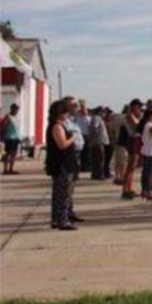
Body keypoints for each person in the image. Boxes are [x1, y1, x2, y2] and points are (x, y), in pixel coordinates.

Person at [45, 99, 79, 231]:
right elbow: (62, 144)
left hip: (63, 164)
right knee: (63, 194)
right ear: (61, 113)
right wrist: (72, 138)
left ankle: (56, 219)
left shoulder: (57, 125)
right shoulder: (57, 126)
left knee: (59, 194)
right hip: (62, 165)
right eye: (65, 112)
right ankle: (62, 220)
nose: (67, 115)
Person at [121, 99, 143, 199]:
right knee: (130, 167)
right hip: (133, 139)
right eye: (138, 106)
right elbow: (137, 126)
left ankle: (128, 188)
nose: (140, 109)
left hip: (136, 140)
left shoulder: (135, 115)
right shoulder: (130, 115)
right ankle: (125, 190)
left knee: (132, 168)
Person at [63, 98, 86, 182]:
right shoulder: (63, 119)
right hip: (70, 148)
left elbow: (84, 114)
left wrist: (83, 105)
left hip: (77, 148)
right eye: (73, 105)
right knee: (70, 172)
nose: (76, 107)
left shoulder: (72, 117)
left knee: (75, 169)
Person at [88, 107, 109, 180]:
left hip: (96, 142)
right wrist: (96, 137)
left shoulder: (96, 118)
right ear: (100, 112)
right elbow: (94, 127)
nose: (105, 114)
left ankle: (95, 174)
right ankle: (99, 175)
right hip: (98, 142)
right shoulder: (97, 118)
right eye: (104, 112)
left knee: (96, 159)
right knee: (100, 159)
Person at [110, 105, 129, 185]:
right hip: (124, 142)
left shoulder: (116, 117)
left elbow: (111, 129)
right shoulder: (125, 118)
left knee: (117, 161)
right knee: (123, 161)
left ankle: (117, 177)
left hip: (117, 141)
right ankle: (122, 177)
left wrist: (113, 139)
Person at [72, 99, 90, 176]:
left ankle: (85, 167)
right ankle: (81, 167)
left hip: (86, 135)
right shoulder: (77, 117)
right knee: (80, 153)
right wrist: (80, 104)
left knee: (86, 153)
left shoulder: (86, 117)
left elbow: (84, 111)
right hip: (79, 135)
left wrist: (82, 104)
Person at [2, 104, 20, 175]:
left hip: (16, 138)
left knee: (14, 154)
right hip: (9, 138)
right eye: (15, 109)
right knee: (8, 154)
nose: (16, 111)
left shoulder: (17, 117)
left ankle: (11, 169)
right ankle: (5, 169)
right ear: (11, 109)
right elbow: (3, 127)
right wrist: (2, 137)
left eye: (17, 110)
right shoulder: (8, 117)